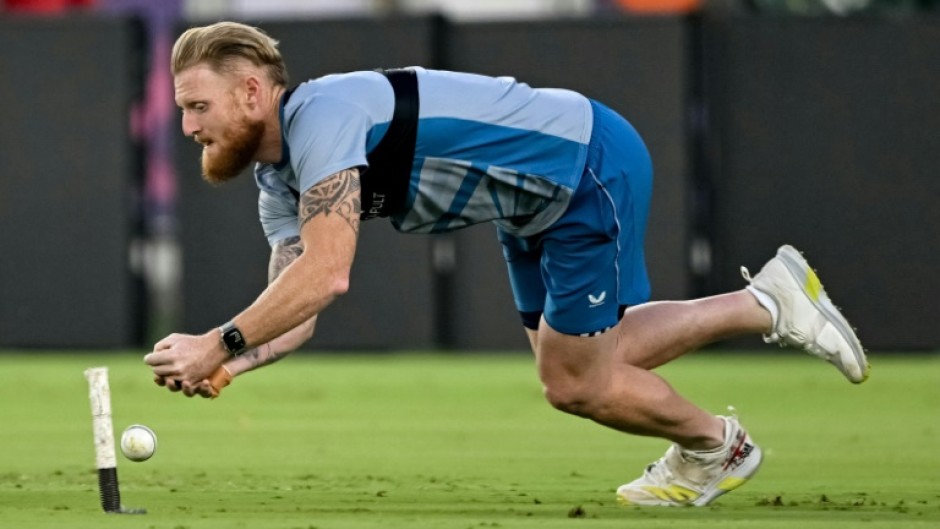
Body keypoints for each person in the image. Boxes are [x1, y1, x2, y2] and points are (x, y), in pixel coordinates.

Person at [144, 21, 870, 507]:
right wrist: (228, 363)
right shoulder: (281, 179)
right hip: (527, 206)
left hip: (580, 164)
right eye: (183, 111)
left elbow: (329, 271)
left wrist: (217, 339)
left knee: (575, 381)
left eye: (198, 106)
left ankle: (718, 443)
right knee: (581, 369)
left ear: (249, 91)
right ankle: (768, 304)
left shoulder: (320, 114)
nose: (188, 128)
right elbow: (291, 309)